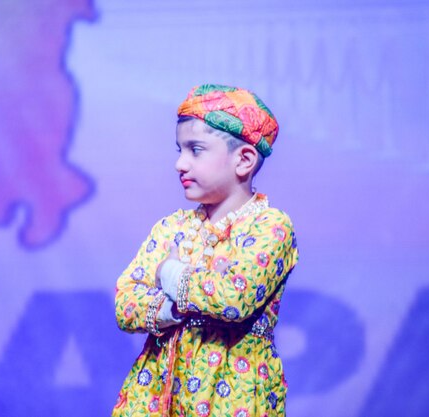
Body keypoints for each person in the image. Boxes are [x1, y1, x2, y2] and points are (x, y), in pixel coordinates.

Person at [112, 84, 299, 417]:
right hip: (159, 391)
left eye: (195, 150)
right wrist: (174, 308)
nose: (179, 164)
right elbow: (126, 303)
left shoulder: (270, 226)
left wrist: (171, 274)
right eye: (179, 150)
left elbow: (233, 299)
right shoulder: (172, 227)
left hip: (231, 393)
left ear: (243, 160)